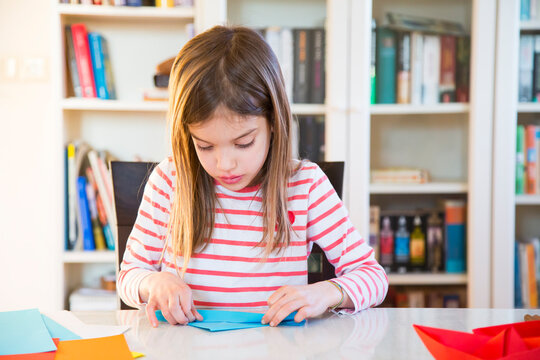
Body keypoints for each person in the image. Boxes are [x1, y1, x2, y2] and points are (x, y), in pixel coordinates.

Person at [118, 25, 388, 328]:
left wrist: (327, 292)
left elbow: (373, 276)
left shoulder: (305, 186)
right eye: (204, 146)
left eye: (243, 143)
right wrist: (153, 283)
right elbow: (129, 275)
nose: (225, 164)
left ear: (273, 122)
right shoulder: (170, 182)